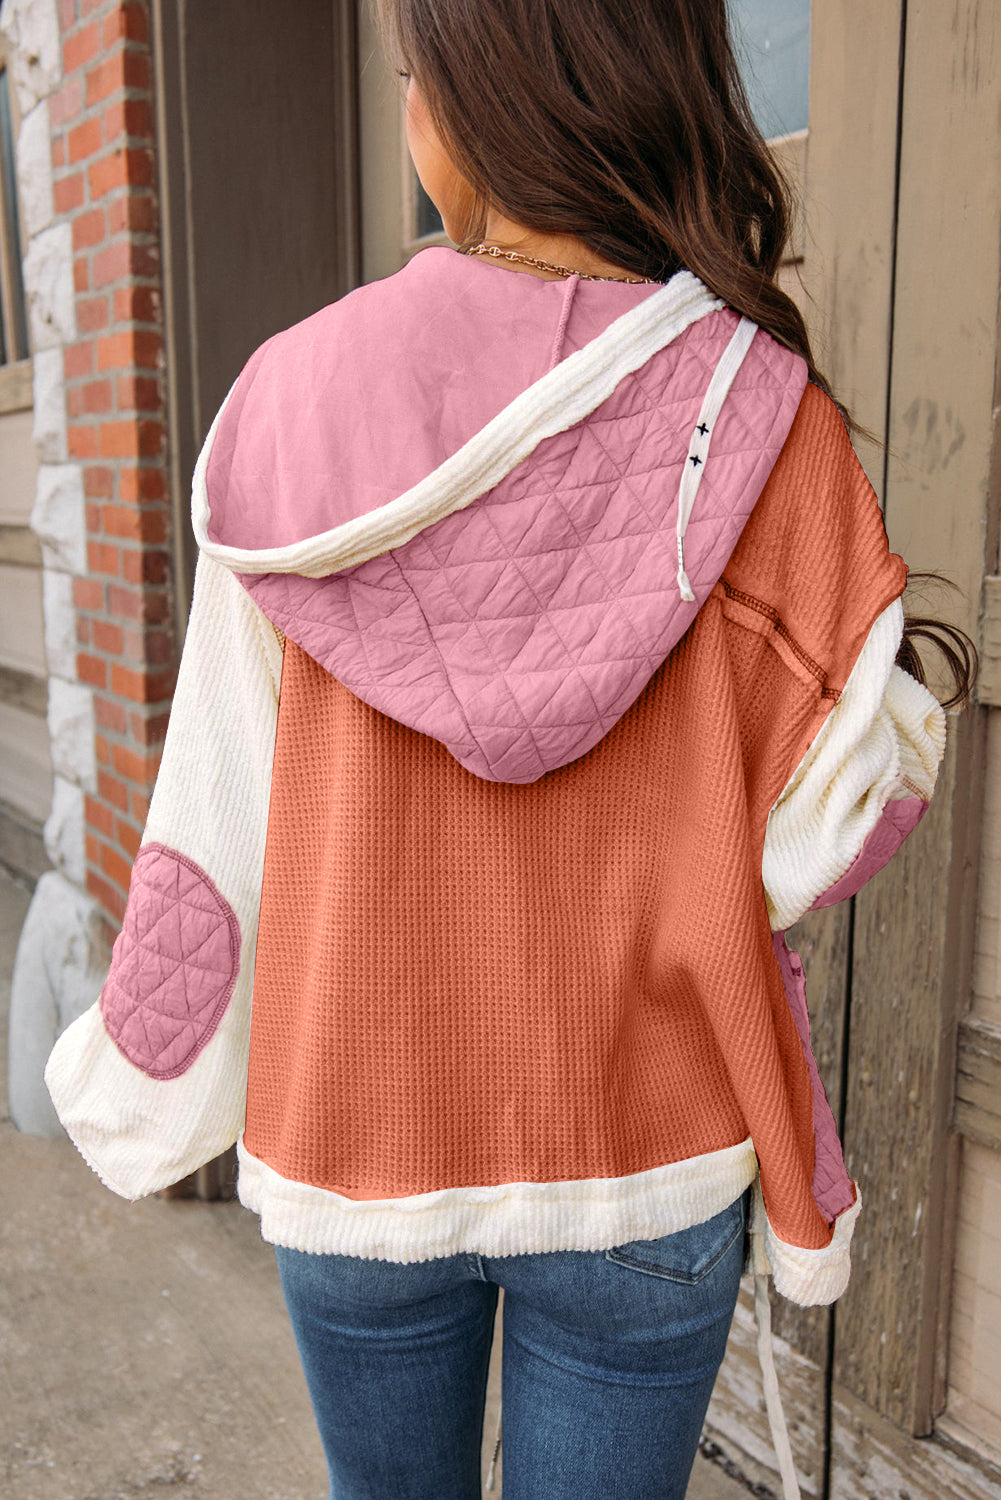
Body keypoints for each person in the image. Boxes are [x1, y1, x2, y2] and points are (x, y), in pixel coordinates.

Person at [44, 2, 976, 1497]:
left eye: (414, 78)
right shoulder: (759, 412)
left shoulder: (287, 406)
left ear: (475, 103)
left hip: (356, 1145)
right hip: (643, 1152)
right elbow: (832, 827)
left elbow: (213, 816)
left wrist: (143, 1081)